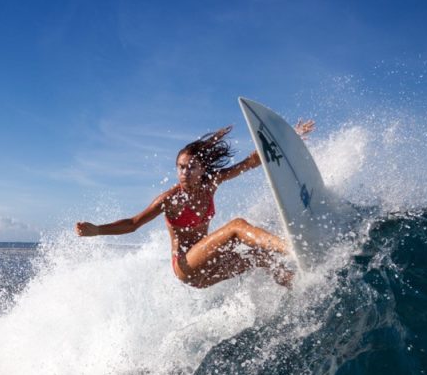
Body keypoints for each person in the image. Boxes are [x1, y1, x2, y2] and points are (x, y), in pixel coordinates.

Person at [75, 120, 315, 288]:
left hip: (206, 271)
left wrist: (284, 142)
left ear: (202, 169)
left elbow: (247, 163)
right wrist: (97, 230)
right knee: (236, 226)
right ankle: (292, 248)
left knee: (261, 257)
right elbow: (132, 223)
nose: (185, 172)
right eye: (181, 167)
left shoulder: (211, 183)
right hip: (186, 268)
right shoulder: (171, 199)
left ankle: (297, 285)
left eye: (191, 167)